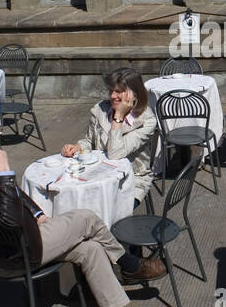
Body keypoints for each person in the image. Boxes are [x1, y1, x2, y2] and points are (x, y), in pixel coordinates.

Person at [0, 110, 164, 307]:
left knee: (90, 248)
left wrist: (38, 212)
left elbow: (12, 198)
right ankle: (130, 266)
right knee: (87, 219)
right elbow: (9, 220)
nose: (0, 133)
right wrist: (3, 173)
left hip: (16, 240)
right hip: (16, 253)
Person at [61, 68, 156, 207]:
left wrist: (118, 117)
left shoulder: (146, 121)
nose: (112, 96)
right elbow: (90, 140)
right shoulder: (100, 110)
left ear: (135, 94)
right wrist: (78, 147)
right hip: (96, 175)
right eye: (111, 90)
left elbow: (115, 154)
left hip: (130, 180)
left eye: (118, 91)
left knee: (102, 210)